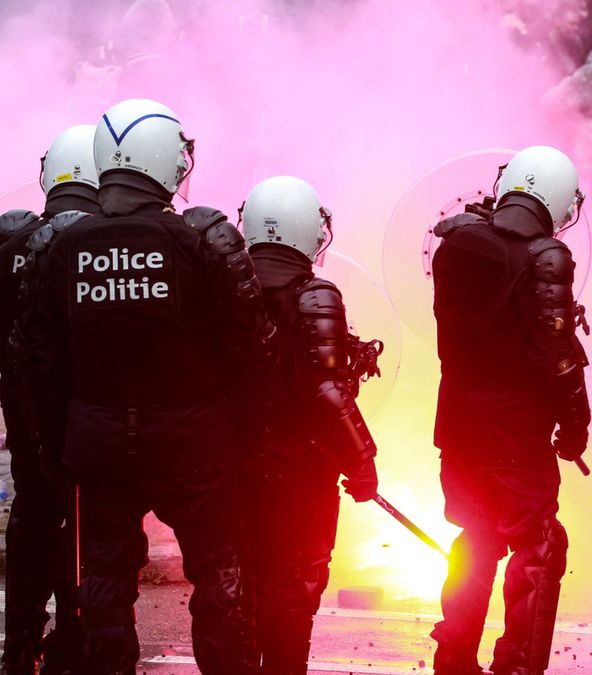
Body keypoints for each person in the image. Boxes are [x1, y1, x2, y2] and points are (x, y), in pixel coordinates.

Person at [18, 98, 272, 674]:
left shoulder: (62, 246)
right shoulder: (200, 240)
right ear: (164, 159)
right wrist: (238, 438)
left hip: (99, 440)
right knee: (219, 573)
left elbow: (39, 362)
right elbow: (247, 346)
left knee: (104, 581)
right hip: (193, 441)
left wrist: (60, 447)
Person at [430, 146, 591, 675]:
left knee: (475, 539)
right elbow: (557, 358)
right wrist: (576, 425)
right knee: (539, 545)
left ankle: (453, 660)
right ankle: (518, 668)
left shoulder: (455, 243)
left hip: (458, 426)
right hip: (516, 434)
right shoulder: (545, 257)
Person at [237, 176, 381, 672]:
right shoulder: (314, 296)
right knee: (292, 589)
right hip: (298, 476)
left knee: (240, 591)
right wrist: (362, 461)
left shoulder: (223, 291)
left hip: (232, 471)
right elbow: (327, 393)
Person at [0, 125, 99, 675]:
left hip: (26, 417)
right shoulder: (105, 241)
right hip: (94, 416)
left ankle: (20, 643)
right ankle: (78, 640)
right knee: (96, 526)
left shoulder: (11, 244)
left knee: (35, 517)